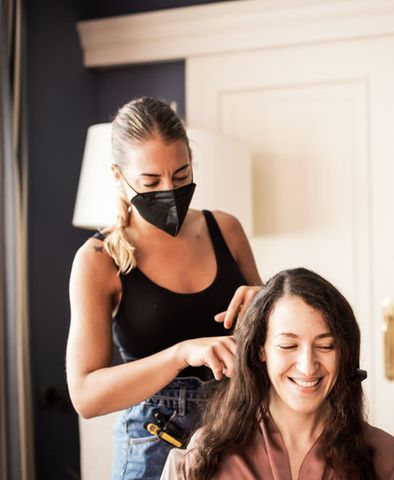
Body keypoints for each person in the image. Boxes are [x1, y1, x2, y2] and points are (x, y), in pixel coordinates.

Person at [66, 97, 262, 480]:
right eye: (151, 182)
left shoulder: (226, 229)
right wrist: (181, 354)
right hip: (153, 444)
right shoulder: (99, 259)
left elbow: (271, 343)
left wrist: (267, 304)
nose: (169, 190)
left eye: (182, 175)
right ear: (118, 175)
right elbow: (86, 396)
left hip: (237, 430)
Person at [161, 267, 394, 480]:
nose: (307, 365)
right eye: (288, 346)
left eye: (325, 346)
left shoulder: (384, 457)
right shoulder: (205, 456)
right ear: (261, 350)